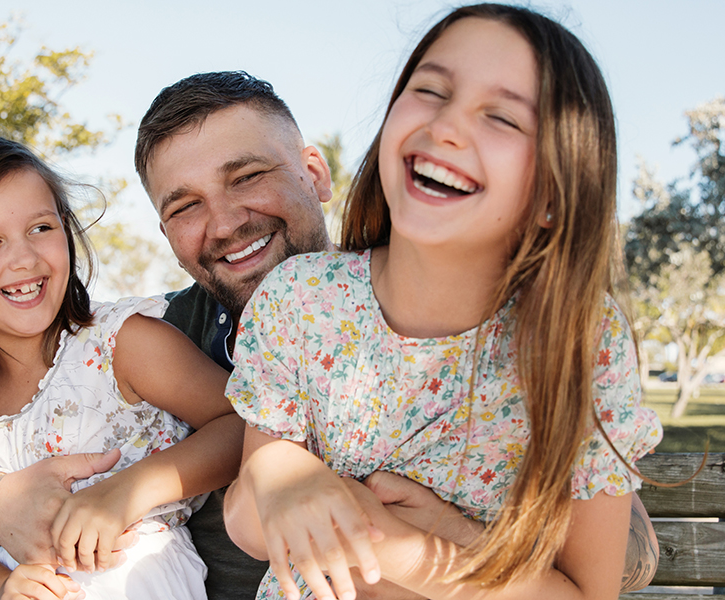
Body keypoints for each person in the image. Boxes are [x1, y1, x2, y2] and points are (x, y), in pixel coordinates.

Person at [0, 71, 660, 599]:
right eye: (186, 206)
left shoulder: (428, 313)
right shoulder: (152, 339)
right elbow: (8, 435)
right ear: (167, 234)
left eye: (250, 176)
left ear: (316, 173)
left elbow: (628, 553)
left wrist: (425, 533)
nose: (227, 220)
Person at [222, 5, 663, 600]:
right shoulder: (302, 300)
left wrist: (400, 543)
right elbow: (250, 510)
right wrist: (281, 484)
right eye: (430, 90)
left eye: (502, 117)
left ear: (555, 193)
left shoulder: (582, 342)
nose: (448, 126)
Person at [0, 136, 243, 600]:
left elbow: (241, 422)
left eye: (41, 228)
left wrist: (127, 491)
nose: (25, 258)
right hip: (17, 583)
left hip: (129, 572)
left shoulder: (121, 343)